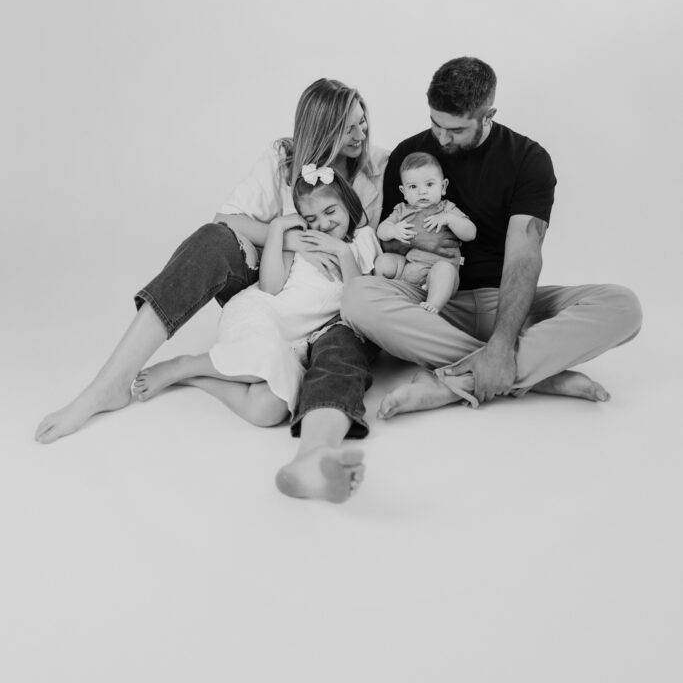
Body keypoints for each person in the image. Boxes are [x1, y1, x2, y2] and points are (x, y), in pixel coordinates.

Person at [35, 77, 388, 495]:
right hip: (277, 287)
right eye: (348, 128)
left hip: (334, 307)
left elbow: (373, 263)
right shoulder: (284, 157)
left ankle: (306, 441)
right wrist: (288, 237)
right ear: (323, 131)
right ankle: (108, 384)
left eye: (363, 121)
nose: (360, 134)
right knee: (212, 241)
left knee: (276, 402)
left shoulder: (377, 170)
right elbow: (228, 219)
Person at [340, 56, 643, 418]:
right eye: (436, 124)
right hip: (433, 303)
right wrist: (401, 236)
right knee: (357, 297)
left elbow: (524, 254)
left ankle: (460, 380)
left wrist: (502, 342)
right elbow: (390, 245)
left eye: (456, 130)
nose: (442, 137)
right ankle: (535, 375)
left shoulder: (528, 160)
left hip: (509, 303)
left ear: (488, 115)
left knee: (623, 306)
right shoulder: (409, 156)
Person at [130, 169, 380, 445]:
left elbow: (358, 300)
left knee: (268, 410)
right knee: (263, 351)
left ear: (347, 202)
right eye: (311, 218)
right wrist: (277, 231)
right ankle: (184, 366)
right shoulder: (302, 240)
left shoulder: (364, 240)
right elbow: (271, 287)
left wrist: (342, 252)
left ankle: (195, 376)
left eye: (330, 211)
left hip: (296, 344)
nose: (323, 223)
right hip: (262, 312)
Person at [374, 151, 476, 313]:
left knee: (444, 269)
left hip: (440, 275)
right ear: (404, 192)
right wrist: (393, 230)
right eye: (413, 187)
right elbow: (381, 231)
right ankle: (381, 294)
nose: (422, 192)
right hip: (408, 268)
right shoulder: (401, 210)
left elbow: (471, 233)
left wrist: (450, 219)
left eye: (429, 185)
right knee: (383, 261)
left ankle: (433, 305)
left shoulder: (447, 208)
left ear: (443, 187)